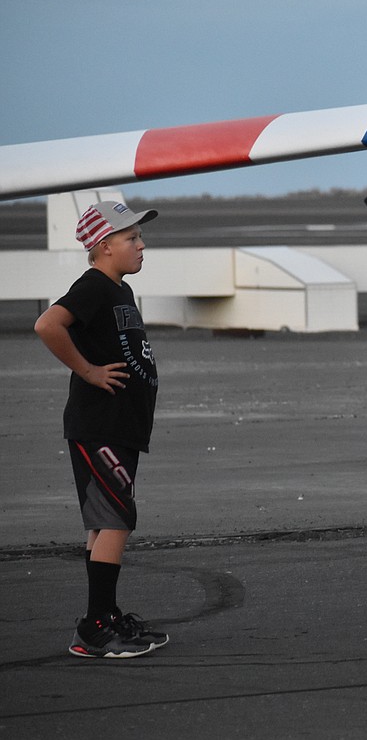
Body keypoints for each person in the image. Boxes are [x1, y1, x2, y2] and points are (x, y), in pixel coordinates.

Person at [33, 200, 170, 658]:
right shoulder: (93, 286)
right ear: (104, 246)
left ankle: (104, 615)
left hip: (119, 427)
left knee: (103, 522)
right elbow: (48, 324)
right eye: (131, 238)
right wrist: (89, 371)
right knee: (116, 520)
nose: (141, 245)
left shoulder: (118, 290)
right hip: (100, 427)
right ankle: (95, 627)